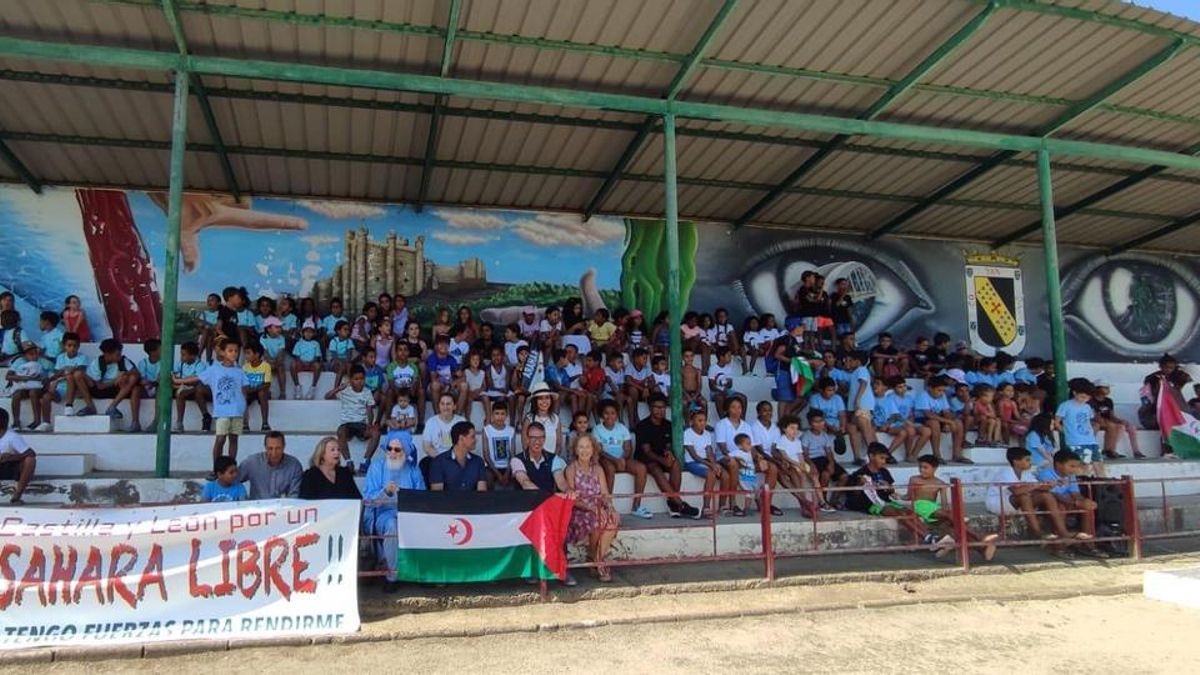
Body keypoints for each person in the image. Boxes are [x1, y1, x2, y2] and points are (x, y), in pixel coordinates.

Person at [363, 432, 425, 593]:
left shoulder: (413, 470)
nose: (392, 452)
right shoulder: (376, 467)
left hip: (409, 513)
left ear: (405, 451)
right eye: (389, 448)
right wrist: (386, 492)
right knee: (393, 525)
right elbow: (369, 500)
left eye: (398, 450)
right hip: (383, 514)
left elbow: (422, 497)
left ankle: (421, 573)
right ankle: (392, 576)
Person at [904, 454, 999, 561]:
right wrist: (897, 496)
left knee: (952, 527)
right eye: (920, 467)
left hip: (934, 509)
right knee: (954, 518)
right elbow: (908, 496)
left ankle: (980, 549)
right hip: (919, 505)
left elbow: (944, 503)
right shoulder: (914, 479)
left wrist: (948, 512)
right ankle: (980, 537)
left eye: (925, 467)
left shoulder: (940, 483)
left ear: (935, 468)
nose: (922, 470)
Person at [986, 447, 1080, 545]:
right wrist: (1037, 485)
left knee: (1046, 495)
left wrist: (1053, 484)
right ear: (1016, 461)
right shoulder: (1006, 473)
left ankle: (1063, 532)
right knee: (1024, 496)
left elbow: (1041, 488)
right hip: (998, 502)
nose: (1030, 462)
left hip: (1016, 502)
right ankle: (1037, 531)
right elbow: (1017, 491)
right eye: (1027, 460)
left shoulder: (1027, 474)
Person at [844, 443, 932, 545]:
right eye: (881, 458)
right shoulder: (859, 473)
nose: (883, 461)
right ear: (871, 456)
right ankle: (928, 537)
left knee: (910, 512)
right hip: (873, 505)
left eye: (885, 459)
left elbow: (892, 491)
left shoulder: (884, 472)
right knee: (900, 514)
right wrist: (860, 484)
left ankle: (930, 536)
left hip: (887, 502)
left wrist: (888, 487)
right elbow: (853, 495)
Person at [634, 394, 700, 518]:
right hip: (645, 459)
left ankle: (673, 504)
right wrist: (663, 461)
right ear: (650, 408)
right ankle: (680, 504)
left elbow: (668, 445)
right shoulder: (642, 426)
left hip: (661, 456)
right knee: (655, 468)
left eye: (663, 407)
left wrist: (669, 455)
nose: (661, 410)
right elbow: (647, 452)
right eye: (657, 407)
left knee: (676, 464)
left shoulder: (668, 425)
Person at [566, 434, 620, 582]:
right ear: (576, 450)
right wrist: (591, 508)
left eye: (588, 447)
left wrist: (610, 508)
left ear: (593, 449)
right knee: (598, 520)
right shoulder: (571, 469)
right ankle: (600, 564)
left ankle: (596, 559)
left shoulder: (598, 469)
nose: (585, 450)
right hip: (580, 510)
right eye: (581, 447)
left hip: (598, 508)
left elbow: (604, 493)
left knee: (613, 519)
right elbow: (572, 498)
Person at [1036, 449, 1107, 559]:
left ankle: (1088, 544)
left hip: (1067, 501)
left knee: (1087, 508)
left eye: (1076, 466)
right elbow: (1053, 495)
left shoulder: (1070, 476)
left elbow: (1075, 493)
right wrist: (1075, 502)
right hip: (1049, 504)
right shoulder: (1045, 474)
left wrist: (1083, 501)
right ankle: (1060, 547)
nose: (1075, 470)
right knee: (1061, 507)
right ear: (1058, 464)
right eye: (1072, 466)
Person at [594, 399, 652, 519]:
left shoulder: (622, 428)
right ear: (601, 415)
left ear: (617, 414)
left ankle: (636, 506)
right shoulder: (597, 429)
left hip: (621, 458)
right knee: (609, 469)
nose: (610, 416)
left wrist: (622, 459)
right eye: (606, 413)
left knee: (641, 468)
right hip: (605, 458)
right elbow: (599, 450)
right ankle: (607, 506)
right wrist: (615, 460)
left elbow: (628, 448)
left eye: (613, 413)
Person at [200, 337, 250, 469]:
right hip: (222, 411)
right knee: (220, 439)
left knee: (234, 439)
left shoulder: (240, 371)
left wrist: (246, 411)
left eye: (236, 351)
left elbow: (244, 390)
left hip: (237, 410)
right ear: (222, 352)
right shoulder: (214, 369)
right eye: (230, 350)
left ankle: (230, 467)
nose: (234, 353)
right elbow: (199, 377)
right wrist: (179, 380)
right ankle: (216, 468)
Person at [326, 365, 381, 473]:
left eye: (361, 379)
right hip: (347, 425)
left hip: (362, 425)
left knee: (376, 432)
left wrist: (370, 424)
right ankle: (348, 462)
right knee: (340, 431)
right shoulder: (345, 391)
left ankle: (366, 460)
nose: (359, 381)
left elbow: (369, 410)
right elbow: (327, 396)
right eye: (356, 379)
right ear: (350, 380)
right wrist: (338, 388)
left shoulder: (367, 392)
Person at [75, 338, 141, 424]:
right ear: (107, 354)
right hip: (100, 390)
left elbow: (137, 374)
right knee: (78, 374)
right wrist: (115, 380)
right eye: (117, 354)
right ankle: (90, 406)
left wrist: (125, 374)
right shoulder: (97, 363)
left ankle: (113, 407)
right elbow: (100, 386)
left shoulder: (123, 361)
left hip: (119, 390)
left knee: (134, 382)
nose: (120, 356)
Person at [683, 408, 728, 517]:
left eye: (704, 420)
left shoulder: (707, 434)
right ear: (692, 421)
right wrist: (710, 465)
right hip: (692, 462)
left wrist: (715, 464)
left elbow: (709, 452)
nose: (702, 423)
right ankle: (706, 507)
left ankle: (722, 506)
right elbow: (694, 456)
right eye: (699, 420)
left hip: (705, 462)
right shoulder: (688, 433)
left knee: (725, 476)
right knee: (711, 474)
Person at [1056, 378, 1105, 478]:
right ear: (1075, 393)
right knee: (1081, 467)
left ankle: (1102, 486)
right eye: (1082, 396)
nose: (1085, 399)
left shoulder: (1087, 407)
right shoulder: (1066, 405)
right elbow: (1057, 422)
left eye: (1087, 397)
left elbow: (1089, 421)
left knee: (1098, 464)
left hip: (1091, 441)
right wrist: (1066, 433)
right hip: (1075, 442)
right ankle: (1082, 488)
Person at [915, 375, 969, 464]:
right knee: (934, 423)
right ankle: (937, 454)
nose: (941, 393)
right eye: (939, 390)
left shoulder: (942, 396)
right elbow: (928, 414)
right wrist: (948, 421)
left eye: (943, 390)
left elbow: (946, 411)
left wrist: (948, 424)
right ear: (930, 388)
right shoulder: (923, 396)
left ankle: (957, 454)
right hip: (922, 420)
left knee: (958, 422)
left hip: (938, 418)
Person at [238, 431, 304, 499]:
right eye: (270, 448)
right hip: (257, 507)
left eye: (278, 448)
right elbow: (232, 480)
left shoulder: (294, 465)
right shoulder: (252, 462)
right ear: (265, 447)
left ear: (284, 446)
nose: (274, 453)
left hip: (282, 507)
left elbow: (294, 495)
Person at [1091, 380, 1144, 460]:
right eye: (1105, 388)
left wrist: (1120, 420)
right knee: (1112, 426)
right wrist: (1108, 421)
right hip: (1096, 421)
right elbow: (1095, 416)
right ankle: (1107, 450)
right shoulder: (1092, 400)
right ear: (1097, 389)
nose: (1108, 390)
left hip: (1106, 421)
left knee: (1123, 426)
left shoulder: (1108, 401)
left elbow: (1111, 415)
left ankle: (1111, 450)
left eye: (1108, 388)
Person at [803, 410, 843, 511]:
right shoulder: (806, 436)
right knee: (825, 474)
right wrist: (811, 465)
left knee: (844, 476)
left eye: (821, 421)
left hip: (824, 459)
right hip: (813, 459)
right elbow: (805, 454)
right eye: (815, 422)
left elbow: (829, 452)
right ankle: (823, 501)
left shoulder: (824, 435)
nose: (819, 424)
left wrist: (831, 463)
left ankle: (834, 500)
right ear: (810, 423)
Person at [430, 421, 487, 492]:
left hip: (473, 502)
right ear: (461, 439)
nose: (476, 440)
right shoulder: (438, 462)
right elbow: (437, 496)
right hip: (448, 503)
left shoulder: (478, 461)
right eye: (472, 437)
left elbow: (481, 493)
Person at [422, 393, 466, 483]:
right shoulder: (431, 422)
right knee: (424, 463)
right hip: (437, 457)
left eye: (448, 404)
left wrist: (452, 460)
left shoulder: (462, 421)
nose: (445, 407)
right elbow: (427, 447)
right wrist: (442, 459)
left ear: (454, 406)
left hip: (457, 458)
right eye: (442, 404)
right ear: (439, 406)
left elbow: (466, 445)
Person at [6, 341, 49, 431]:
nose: (34, 356)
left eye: (36, 353)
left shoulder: (42, 361)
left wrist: (43, 377)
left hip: (39, 387)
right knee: (16, 394)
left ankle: (36, 421)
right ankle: (16, 422)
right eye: (30, 354)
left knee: (33, 392)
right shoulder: (19, 362)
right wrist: (23, 377)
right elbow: (8, 376)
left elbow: (50, 375)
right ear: (24, 355)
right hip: (24, 386)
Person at [172, 341, 211, 432]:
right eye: (181, 354)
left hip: (198, 389)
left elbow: (197, 380)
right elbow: (173, 374)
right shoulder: (180, 364)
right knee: (180, 394)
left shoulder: (200, 365)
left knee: (198, 389)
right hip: (186, 388)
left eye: (184, 355)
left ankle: (206, 416)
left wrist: (181, 380)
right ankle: (179, 422)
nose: (181, 357)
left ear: (193, 356)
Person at [0, 408, 37, 504]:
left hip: (9, 467)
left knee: (30, 460)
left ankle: (17, 496)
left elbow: (31, 453)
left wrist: (12, 457)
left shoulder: (12, 437)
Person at [482, 401, 517, 488]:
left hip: (507, 467)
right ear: (492, 415)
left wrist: (507, 473)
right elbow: (486, 455)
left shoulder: (511, 430)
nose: (499, 417)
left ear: (506, 415)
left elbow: (512, 455)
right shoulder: (487, 430)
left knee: (517, 476)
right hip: (492, 467)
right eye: (497, 413)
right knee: (487, 478)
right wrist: (498, 474)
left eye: (502, 414)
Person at [242, 341, 272, 431]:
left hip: (262, 390)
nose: (246, 356)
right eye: (245, 353)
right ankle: (245, 423)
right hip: (250, 391)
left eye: (248, 353)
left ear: (257, 354)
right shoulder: (245, 367)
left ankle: (265, 423)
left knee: (262, 393)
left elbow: (267, 384)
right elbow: (244, 384)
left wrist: (253, 389)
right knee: (242, 393)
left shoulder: (266, 366)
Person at [291, 321, 323, 400]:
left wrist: (310, 363)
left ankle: (313, 388)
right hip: (301, 364)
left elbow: (316, 357)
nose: (308, 334)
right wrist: (302, 362)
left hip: (311, 364)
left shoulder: (316, 343)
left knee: (317, 365)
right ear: (303, 333)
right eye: (306, 332)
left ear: (313, 334)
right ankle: (297, 387)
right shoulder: (299, 343)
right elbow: (297, 356)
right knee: (293, 365)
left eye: (310, 332)